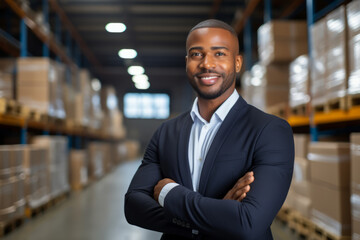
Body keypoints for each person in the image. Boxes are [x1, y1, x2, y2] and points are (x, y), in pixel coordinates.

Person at [124, 19, 294, 240]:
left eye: (219, 54)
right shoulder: (167, 132)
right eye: (196, 54)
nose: (206, 64)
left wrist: (169, 193)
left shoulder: (270, 130)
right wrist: (214, 217)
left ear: (238, 62)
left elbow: (248, 222)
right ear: (187, 62)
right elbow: (133, 206)